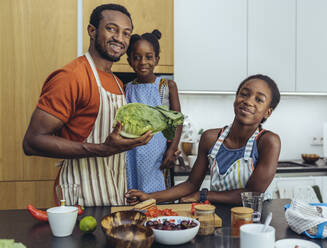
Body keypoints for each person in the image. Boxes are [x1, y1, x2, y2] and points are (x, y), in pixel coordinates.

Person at [22, 4, 152, 207]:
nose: (120, 38)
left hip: (114, 192)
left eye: (126, 33)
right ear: (92, 31)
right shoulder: (71, 77)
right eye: (111, 29)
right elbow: (32, 142)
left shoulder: (118, 83)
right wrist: (102, 149)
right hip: (80, 194)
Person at [125, 74, 281, 205]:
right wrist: (150, 197)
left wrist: (204, 195)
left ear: (268, 112)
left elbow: (252, 193)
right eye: (244, 94)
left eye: (259, 99)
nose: (248, 101)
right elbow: (191, 184)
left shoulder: (268, 142)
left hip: (255, 219)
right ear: (236, 98)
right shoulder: (210, 138)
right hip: (216, 215)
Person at [125, 29, 182, 193]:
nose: (143, 62)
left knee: (158, 198)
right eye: (137, 57)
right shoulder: (126, 89)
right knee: (133, 194)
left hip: (159, 156)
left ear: (156, 59)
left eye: (148, 57)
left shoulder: (167, 86)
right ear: (129, 60)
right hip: (131, 154)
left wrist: (172, 150)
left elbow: (177, 121)